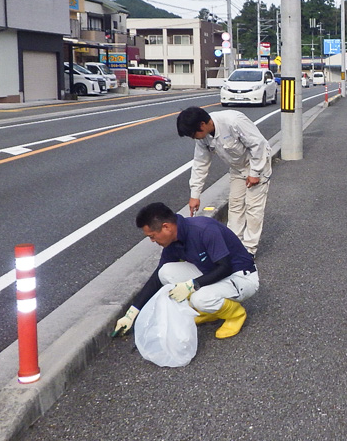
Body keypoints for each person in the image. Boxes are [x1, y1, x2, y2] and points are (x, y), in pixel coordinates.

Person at [112, 202, 259, 340]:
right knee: (165, 272)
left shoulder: (204, 230)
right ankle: (211, 311)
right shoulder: (172, 242)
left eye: (152, 236)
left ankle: (236, 314)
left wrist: (191, 285)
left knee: (199, 299)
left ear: (166, 227)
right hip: (212, 273)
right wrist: (132, 313)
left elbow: (225, 267)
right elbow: (157, 278)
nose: (152, 240)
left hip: (241, 276)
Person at [177, 106, 272, 255]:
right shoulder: (204, 137)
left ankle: (249, 250)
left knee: (253, 208)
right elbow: (200, 163)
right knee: (235, 205)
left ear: (202, 124)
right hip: (237, 168)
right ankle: (233, 244)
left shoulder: (233, 121)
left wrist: (255, 173)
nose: (193, 138)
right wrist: (195, 195)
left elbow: (258, 144)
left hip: (258, 164)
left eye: (193, 134)